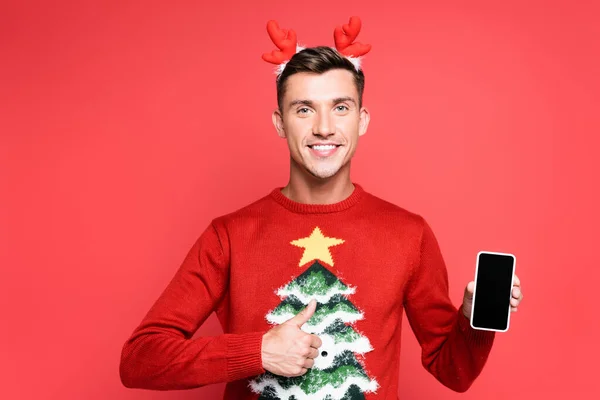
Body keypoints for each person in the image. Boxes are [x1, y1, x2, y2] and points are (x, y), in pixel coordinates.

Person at [119, 17, 524, 400]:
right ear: (280, 123)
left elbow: (453, 373)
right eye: (304, 109)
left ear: (362, 120)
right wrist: (256, 352)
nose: (324, 127)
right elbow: (140, 360)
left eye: (341, 107)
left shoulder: (409, 233)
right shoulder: (229, 234)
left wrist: (475, 320)